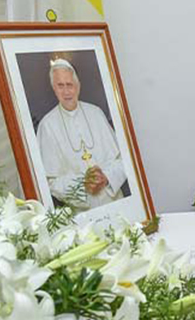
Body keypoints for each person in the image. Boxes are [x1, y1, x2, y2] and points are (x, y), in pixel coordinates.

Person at [37, 58, 127, 209]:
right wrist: (82, 185)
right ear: (54, 88)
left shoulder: (96, 112)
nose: (66, 92)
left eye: (70, 85)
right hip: (80, 213)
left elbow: (123, 158)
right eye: (60, 86)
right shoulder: (47, 125)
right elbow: (50, 181)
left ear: (78, 87)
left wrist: (106, 177)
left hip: (115, 202)